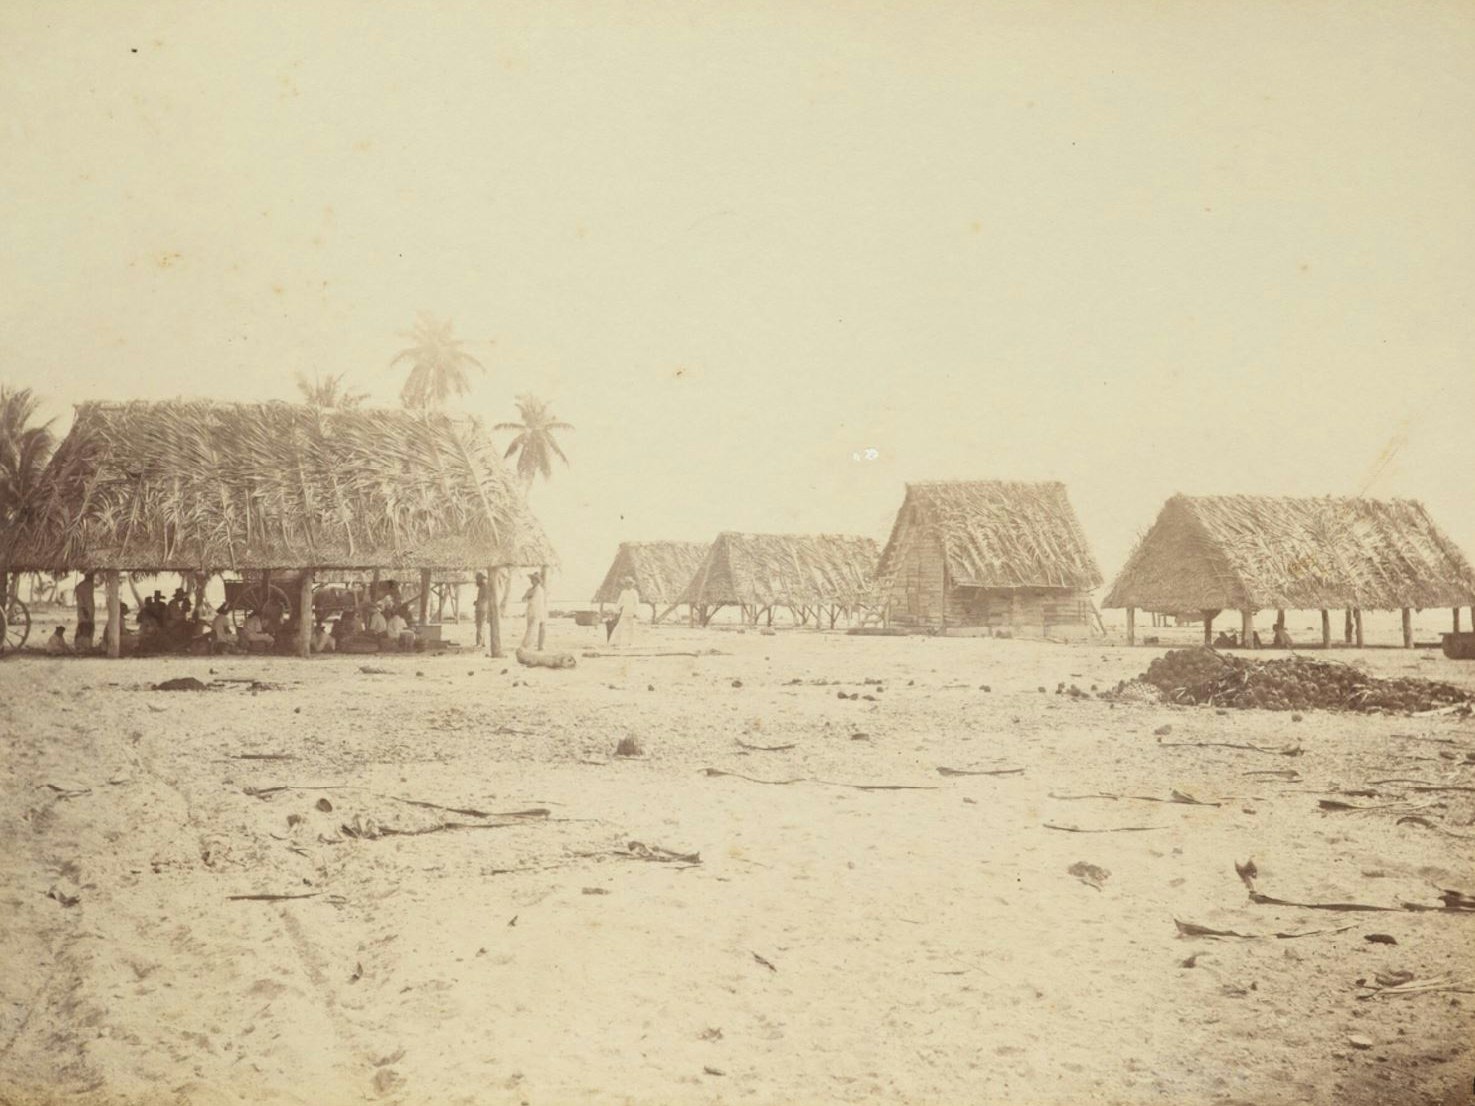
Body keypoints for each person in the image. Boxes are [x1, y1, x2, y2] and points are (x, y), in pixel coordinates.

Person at [522, 571, 548, 651]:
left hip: (539, 610)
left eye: (533, 580)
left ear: (537, 581)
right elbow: (523, 599)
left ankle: (540, 646)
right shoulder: (530, 589)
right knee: (531, 628)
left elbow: (534, 600)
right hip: (531, 610)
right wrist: (528, 597)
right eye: (531, 579)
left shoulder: (539, 590)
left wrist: (528, 597)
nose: (531, 581)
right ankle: (528, 645)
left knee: (539, 628)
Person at [611, 575, 639, 649]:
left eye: (629, 583)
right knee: (620, 626)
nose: (628, 585)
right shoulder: (623, 592)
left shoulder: (634, 592)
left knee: (632, 628)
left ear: (632, 584)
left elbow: (636, 603)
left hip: (632, 612)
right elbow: (620, 602)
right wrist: (616, 610)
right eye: (627, 583)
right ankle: (616, 642)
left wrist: (636, 613)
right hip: (625, 612)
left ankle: (631, 643)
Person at [74, 571, 96, 652]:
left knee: (90, 628)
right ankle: (79, 646)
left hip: (90, 611)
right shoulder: (81, 586)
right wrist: (84, 610)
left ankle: (88, 645)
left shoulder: (90, 585)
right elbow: (80, 600)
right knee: (83, 627)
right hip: (84, 611)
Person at [473, 572, 489, 647]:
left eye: (477, 579)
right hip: (481, 608)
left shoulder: (484, 587)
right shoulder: (482, 587)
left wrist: (478, 602)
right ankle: (482, 642)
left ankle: (479, 642)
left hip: (482, 608)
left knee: (480, 625)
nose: (476, 581)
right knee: (481, 625)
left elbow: (485, 598)